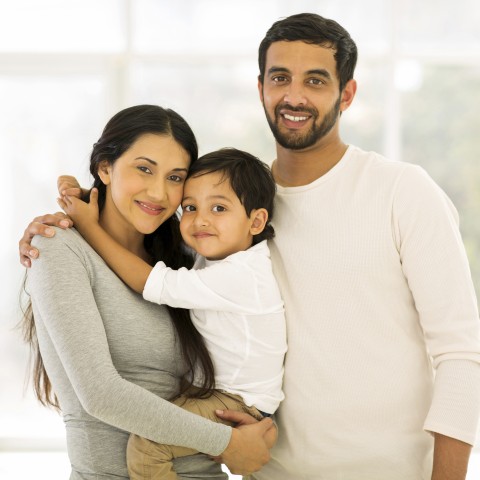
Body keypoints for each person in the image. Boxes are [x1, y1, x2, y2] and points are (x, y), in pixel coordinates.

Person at [19, 13, 480, 480]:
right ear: (260, 87)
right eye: (280, 78)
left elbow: (462, 354)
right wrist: (66, 219)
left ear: (347, 94)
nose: (294, 96)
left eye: (315, 80)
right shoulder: (229, 214)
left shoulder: (402, 191)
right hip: (266, 472)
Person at [20, 104, 275, 480]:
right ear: (105, 168)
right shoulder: (58, 247)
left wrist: (258, 424)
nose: (159, 192)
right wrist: (228, 443)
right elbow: (101, 395)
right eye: (144, 168)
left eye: (175, 177)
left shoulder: (187, 258)